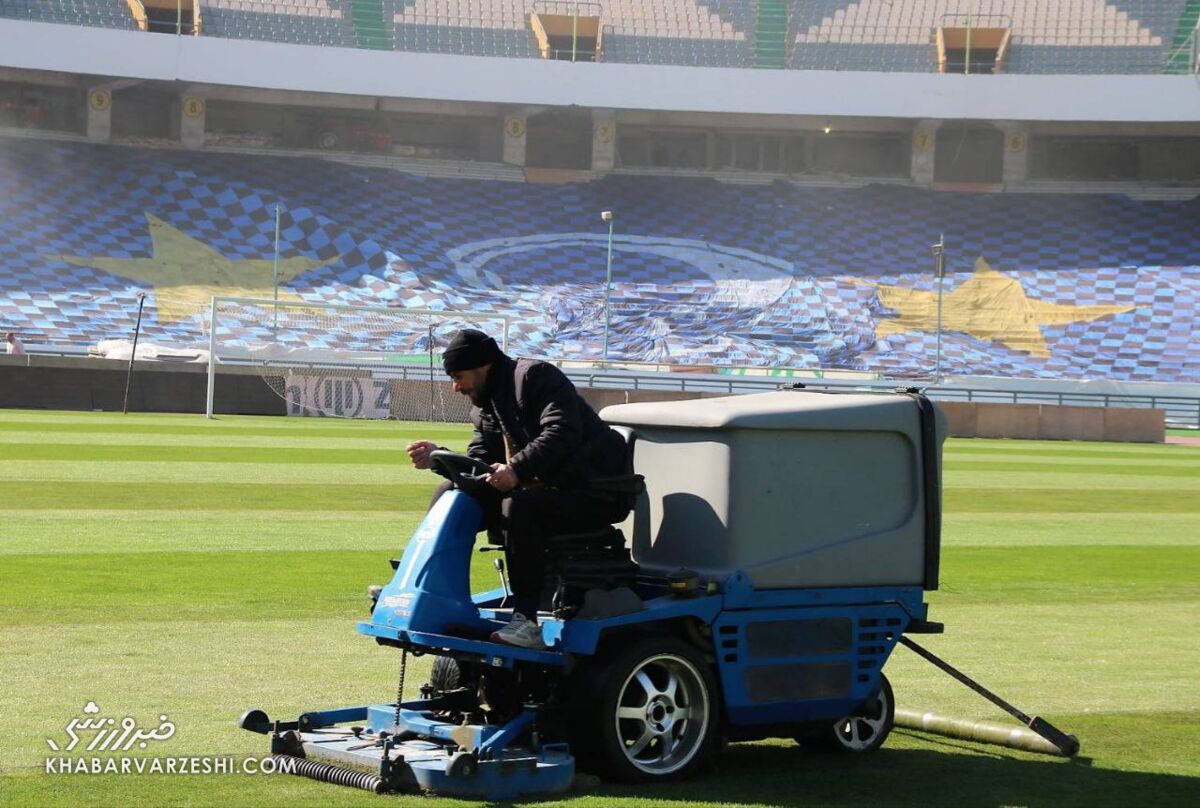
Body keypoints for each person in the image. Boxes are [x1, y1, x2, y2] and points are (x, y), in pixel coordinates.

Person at [407, 329, 633, 649]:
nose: (455, 387)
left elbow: (563, 430)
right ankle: (424, 590)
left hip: (595, 490)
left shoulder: (536, 377)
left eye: (459, 376)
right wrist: (439, 458)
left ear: (482, 366)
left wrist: (517, 469)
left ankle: (526, 621)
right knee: (451, 492)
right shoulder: (486, 405)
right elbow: (480, 462)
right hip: (548, 490)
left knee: (520, 506)